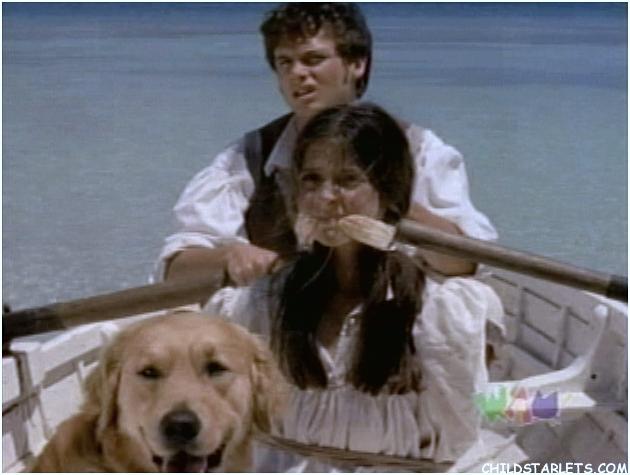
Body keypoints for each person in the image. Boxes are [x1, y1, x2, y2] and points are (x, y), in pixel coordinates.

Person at [205, 103, 521, 471]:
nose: (326, 197)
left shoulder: (438, 311)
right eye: (312, 180)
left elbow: (458, 431)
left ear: (388, 192)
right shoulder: (264, 302)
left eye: (348, 180)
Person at [156, 3, 497, 292]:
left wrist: (391, 203)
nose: (297, 73)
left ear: (357, 64)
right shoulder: (249, 157)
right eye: (285, 62)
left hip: (393, 330)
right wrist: (228, 256)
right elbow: (176, 270)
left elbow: (467, 263)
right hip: (282, 329)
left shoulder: (418, 150)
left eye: (313, 59)